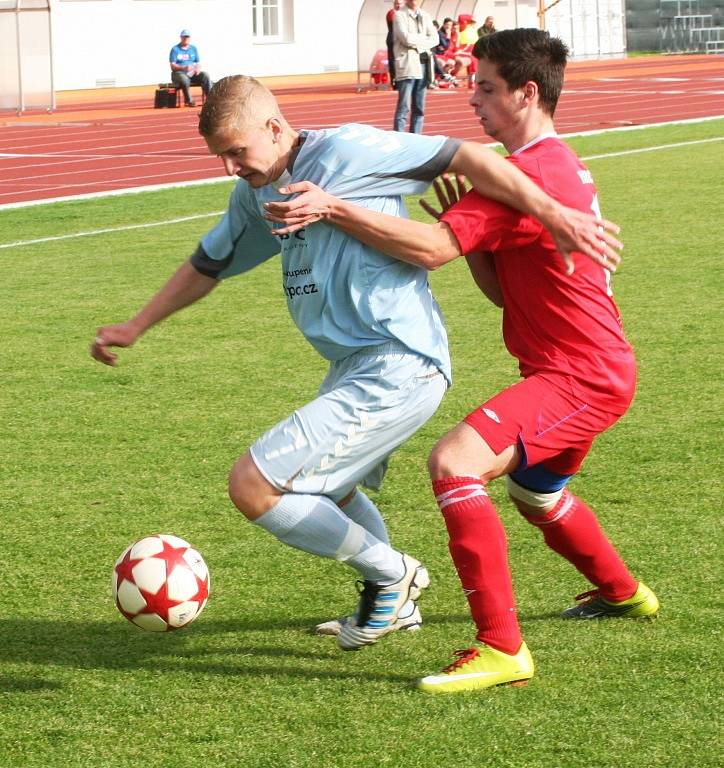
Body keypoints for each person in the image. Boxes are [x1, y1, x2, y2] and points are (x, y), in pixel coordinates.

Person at [90, 74, 623, 656]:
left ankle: (393, 575)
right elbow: (209, 262)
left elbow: (464, 154)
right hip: (354, 366)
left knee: (254, 485)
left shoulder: (346, 151)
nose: (229, 167)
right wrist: (136, 325)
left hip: (399, 363)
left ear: (273, 127)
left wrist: (551, 212)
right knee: (331, 487)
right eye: (220, 156)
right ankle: (395, 602)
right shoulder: (253, 195)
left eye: (237, 151)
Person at [261, 28, 656, 691]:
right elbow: (505, 293)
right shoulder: (556, 164)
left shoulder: (524, 175)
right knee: (536, 490)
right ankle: (623, 592)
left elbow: (427, 249)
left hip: (579, 376)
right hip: (592, 368)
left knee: (453, 463)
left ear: (526, 94)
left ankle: (502, 649)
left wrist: (332, 206)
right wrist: (476, 246)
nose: (472, 99)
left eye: (486, 87)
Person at [392, 0, 438, 132]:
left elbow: (435, 39)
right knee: (403, 107)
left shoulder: (426, 15)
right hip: (408, 64)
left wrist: (418, 40)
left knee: (419, 108)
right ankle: (399, 137)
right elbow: (406, 38)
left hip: (424, 63)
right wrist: (425, 39)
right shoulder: (399, 15)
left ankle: (416, 137)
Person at [170, 30, 213, 107]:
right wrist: (184, 67)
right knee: (184, 79)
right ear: (181, 37)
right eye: (184, 36)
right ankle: (189, 101)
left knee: (205, 75)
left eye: (187, 36)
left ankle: (211, 99)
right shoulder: (175, 49)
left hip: (192, 73)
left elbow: (198, 63)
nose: (186, 38)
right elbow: (172, 66)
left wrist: (198, 69)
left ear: (190, 38)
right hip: (179, 73)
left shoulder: (193, 48)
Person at [385, 0, 406, 89]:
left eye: (400, 3)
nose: (398, 5)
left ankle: (403, 80)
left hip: (402, 39)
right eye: (396, 3)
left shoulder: (404, 13)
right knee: (393, 61)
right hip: (393, 39)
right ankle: (395, 82)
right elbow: (396, 22)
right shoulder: (392, 13)